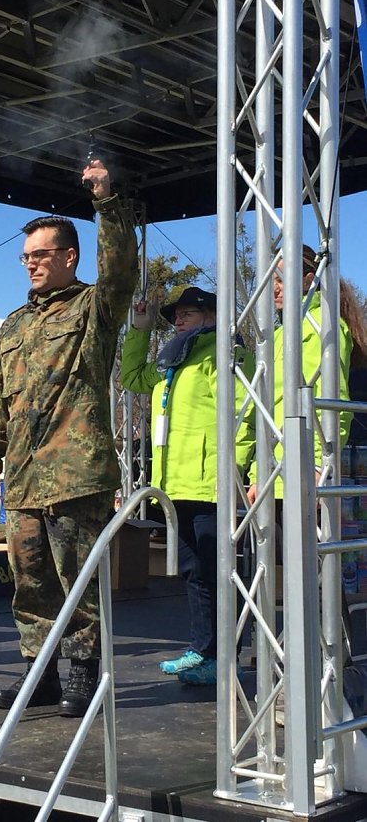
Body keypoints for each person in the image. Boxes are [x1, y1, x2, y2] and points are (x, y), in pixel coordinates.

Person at [0, 159, 138, 717]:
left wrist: (107, 204)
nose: (32, 267)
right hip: (22, 475)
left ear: (70, 256)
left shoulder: (94, 307)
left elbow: (121, 271)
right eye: (26, 258)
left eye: (41, 256)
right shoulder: (13, 325)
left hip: (75, 471)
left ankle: (81, 672)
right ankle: (38, 673)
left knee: (78, 581)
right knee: (31, 583)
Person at [121, 286, 255, 685]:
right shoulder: (171, 361)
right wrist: (140, 331)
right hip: (175, 485)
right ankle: (202, 650)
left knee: (219, 573)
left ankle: (225, 656)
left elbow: (244, 416)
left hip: (212, 483)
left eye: (189, 313)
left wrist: (238, 470)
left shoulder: (225, 353)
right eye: (176, 314)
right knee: (194, 574)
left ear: (212, 316)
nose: (178, 319)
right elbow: (130, 376)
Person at [247, 245, 366, 504]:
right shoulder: (276, 336)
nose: (274, 288)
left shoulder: (321, 324)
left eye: (280, 279)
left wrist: (315, 463)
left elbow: (329, 400)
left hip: (303, 474)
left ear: (308, 281)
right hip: (273, 475)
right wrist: (258, 473)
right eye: (270, 280)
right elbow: (266, 411)